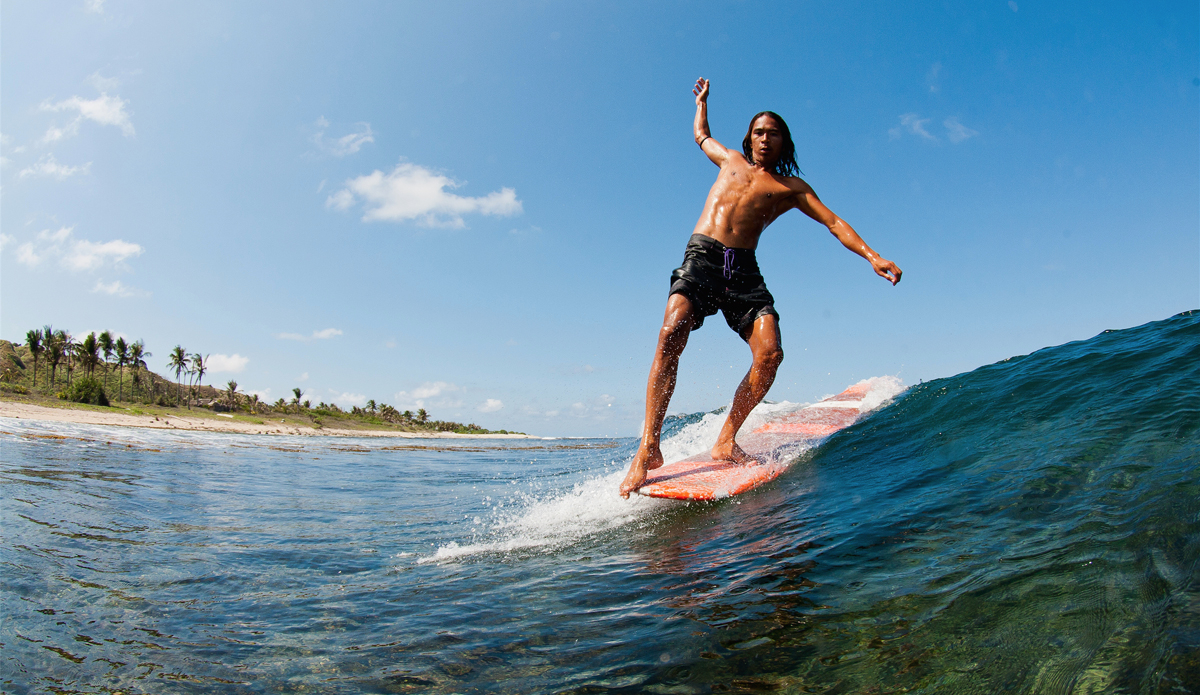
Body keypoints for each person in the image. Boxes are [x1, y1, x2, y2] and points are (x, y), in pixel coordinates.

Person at [619, 77, 902, 498]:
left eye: (773, 133)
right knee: (670, 332)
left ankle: (726, 439)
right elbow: (701, 136)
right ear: (748, 139)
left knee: (770, 354)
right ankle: (649, 449)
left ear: (784, 142)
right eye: (758, 132)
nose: (765, 138)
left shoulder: (791, 189)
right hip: (702, 257)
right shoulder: (729, 160)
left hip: (743, 271)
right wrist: (702, 102)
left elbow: (834, 222)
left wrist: (873, 255)